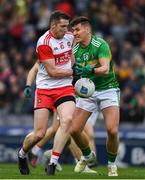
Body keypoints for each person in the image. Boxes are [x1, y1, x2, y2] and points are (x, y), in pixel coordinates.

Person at [18, 11, 76, 175]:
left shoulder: (69, 37)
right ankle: (22, 154)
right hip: (45, 90)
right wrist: (74, 71)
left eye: (67, 26)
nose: (66, 30)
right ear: (53, 26)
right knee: (40, 133)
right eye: (63, 26)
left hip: (64, 88)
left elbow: (70, 54)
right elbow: (52, 72)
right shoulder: (44, 42)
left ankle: (52, 164)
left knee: (68, 120)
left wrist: (74, 65)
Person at [69, 16, 120, 177]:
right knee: (74, 130)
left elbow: (105, 68)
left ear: (87, 30)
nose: (74, 33)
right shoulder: (75, 50)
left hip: (108, 89)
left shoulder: (100, 44)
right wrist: (75, 75)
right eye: (73, 30)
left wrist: (90, 70)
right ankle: (88, 156)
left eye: (77, 29)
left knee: (112, 130)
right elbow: (74, 73)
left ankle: (112, 164)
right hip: (87, 91)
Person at [23, 62, 97, 173]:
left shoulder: (68, 52)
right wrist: (28, 85)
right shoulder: (49, 53)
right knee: (66, 128)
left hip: (67, 94)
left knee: (60, 129)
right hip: (60, 95)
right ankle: (79, 162)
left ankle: (48, 154)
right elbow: (34, 69)